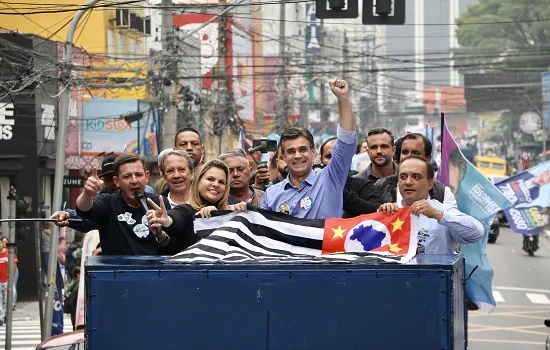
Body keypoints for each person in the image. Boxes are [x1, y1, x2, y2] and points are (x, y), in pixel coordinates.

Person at [261, 79, 356, 219]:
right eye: (291, 151)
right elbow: (264, 233)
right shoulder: (271, 195)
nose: (297, 156)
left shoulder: (331, 178)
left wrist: (343, 99)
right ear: (282, 156)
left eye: (303, 149)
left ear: (313, 151)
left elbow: (346, 143)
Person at [69, 154, 172, 255]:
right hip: (117, 270)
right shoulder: (108, 202)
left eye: (139, 175)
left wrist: (160, 234)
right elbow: (83, 209)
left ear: (146, 177)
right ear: (117, 181)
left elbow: (173, 243)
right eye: (127, 176)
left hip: (155, 270)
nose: (134, 180)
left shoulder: (159, 203)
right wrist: (87, 193)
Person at [379, 156, 484, 254]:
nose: (408, 182)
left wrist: (437, 215)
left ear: (430, 184)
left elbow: (477, 233)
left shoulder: (442, 211)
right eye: (403, 177)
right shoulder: (389, 211)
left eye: (416, 177)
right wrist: (380, 219)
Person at [147, 160, 248, 254]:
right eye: (210, 179)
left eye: (221, 182)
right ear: (198, 182)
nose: (216, 185)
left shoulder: (231, 213)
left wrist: (244, 213)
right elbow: (177, 216)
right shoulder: (188, 211)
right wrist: (167, 220)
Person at [376, 133, 456, 206]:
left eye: (415, 153)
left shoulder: (442, 192)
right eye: (405, 152)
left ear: (428, 159)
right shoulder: (381, 186)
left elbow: (457, 220)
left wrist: (435, 213)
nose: (409, 156)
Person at [319, 137, 380, 216]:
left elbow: (376, 212)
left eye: (339, 156)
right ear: (321, 159)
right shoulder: (311, 187)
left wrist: (338, 192)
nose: (334, 161)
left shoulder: (364, 186)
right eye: (329, 156)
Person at [0, 236, 18, 326]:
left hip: (7, 279)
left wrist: (10, 277)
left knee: (10, 297)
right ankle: (1, 317)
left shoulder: (10, 253)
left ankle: (7, 315)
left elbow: (14, 265)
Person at [64, 266, 80, 331]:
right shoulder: (78, 284)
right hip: (77, 309)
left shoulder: (71, 283)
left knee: (75, 327)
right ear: (78, 275)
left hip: (73, 310)